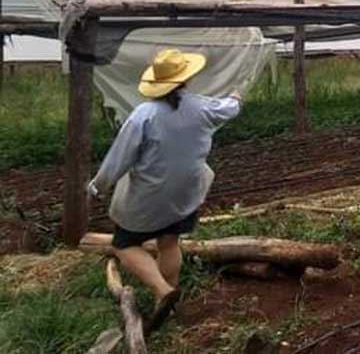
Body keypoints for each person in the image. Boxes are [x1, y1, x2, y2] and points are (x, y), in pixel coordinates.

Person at [88, 48, 243, 333]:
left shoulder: (144, 115)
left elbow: (119, 158)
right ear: (186, 78)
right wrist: (236, 97)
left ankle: (162, 290)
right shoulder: (202, 107)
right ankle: (167, 304)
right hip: (186, 192)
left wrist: (98, 186)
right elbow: (229, 108)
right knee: (169, 242)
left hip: (150, 194)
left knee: (124, 244)